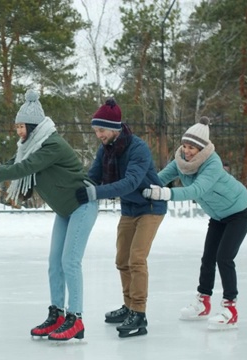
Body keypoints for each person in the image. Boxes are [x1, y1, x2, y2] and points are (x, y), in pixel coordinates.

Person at [0, 89, 98, 342]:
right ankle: (57, 314)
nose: (18, 132)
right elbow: (10, 164)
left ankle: (76, 319)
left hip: (83, 206)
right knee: (54, 264)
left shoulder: (52, 145)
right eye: (17, 127)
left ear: (34, 126)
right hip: (65, 210)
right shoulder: (29, 146)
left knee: (70, 262)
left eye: (21, 127)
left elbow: (22, 168)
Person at [142, 116, 247, 330]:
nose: (187, 151)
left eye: (192, 147)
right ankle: (203, 302)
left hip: (239, 212)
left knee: (224, 257)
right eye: (185, 145)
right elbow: (159, 178)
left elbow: (196, 190)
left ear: (201, 148)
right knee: (208, 257)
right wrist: (141, 187)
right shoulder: (181, 161)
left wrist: (164, 194)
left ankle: (230, 309)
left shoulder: (212, 163)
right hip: (219, 215)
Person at [74, 98, 167, 338]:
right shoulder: (105, 149)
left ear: (115, 128)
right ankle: (129, 307)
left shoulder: (138, 148)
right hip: (129, 208)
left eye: (101, 130)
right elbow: (93, 177)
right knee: (122, 259)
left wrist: (95, 193)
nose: (98, 135)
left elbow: (130, 183)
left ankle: (139, 312)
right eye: (96, 130)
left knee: (136, 258)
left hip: (150, 207)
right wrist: (72, 186)